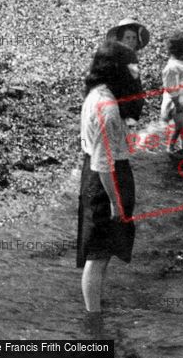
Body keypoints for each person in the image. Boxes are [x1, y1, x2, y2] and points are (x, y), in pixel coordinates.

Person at [77, 41, 143, 335]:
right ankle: (94, 320)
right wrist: (116, 203)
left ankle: (96, 310)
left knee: (99, 251)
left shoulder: (96, 95)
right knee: (98, 255)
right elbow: (104, 165)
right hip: (105, 181)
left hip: (94, 174)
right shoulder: (107, 107)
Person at [106, 18, 151, 122]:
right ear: (120, 40)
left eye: (134, 38)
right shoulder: (116, 59)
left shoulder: (132, 59)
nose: (131, 41)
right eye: (127, 38)